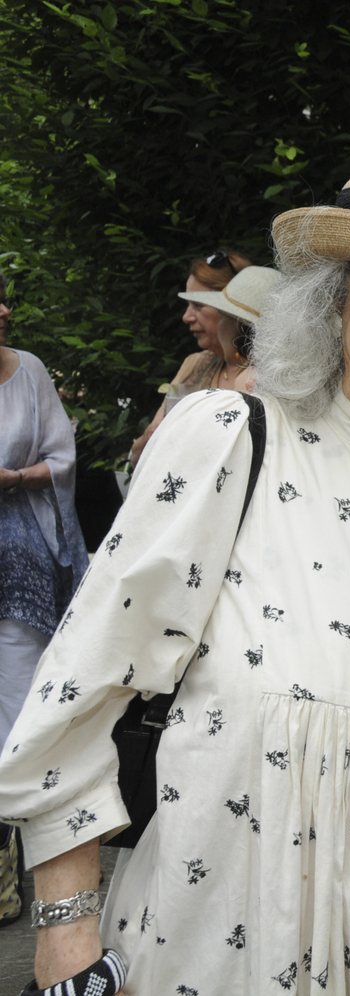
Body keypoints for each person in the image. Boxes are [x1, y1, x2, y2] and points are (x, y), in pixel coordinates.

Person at [0, 152, 350, 994]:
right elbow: (80, 693)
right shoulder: (232, 439)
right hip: (222, 961)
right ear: (335, 298)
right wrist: (65, 941)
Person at [0, 272, 91, 926]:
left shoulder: (28, 370)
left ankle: (16, 865)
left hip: (21, 563)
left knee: (18, 707)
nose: (4, 309)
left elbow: (63, 457)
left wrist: (14, 477)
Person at [128, 249, 255, 467]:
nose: (186, 317)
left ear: (233, 311)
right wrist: (153, 433)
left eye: (198, 306)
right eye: (188, 305)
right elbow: (137, 457)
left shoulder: (266, 375)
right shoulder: (196, 364)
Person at [178, 264, 281, 395]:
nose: (186, 317)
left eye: (223, 316)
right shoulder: (197, 363)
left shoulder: (252, 382)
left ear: (239, 328)